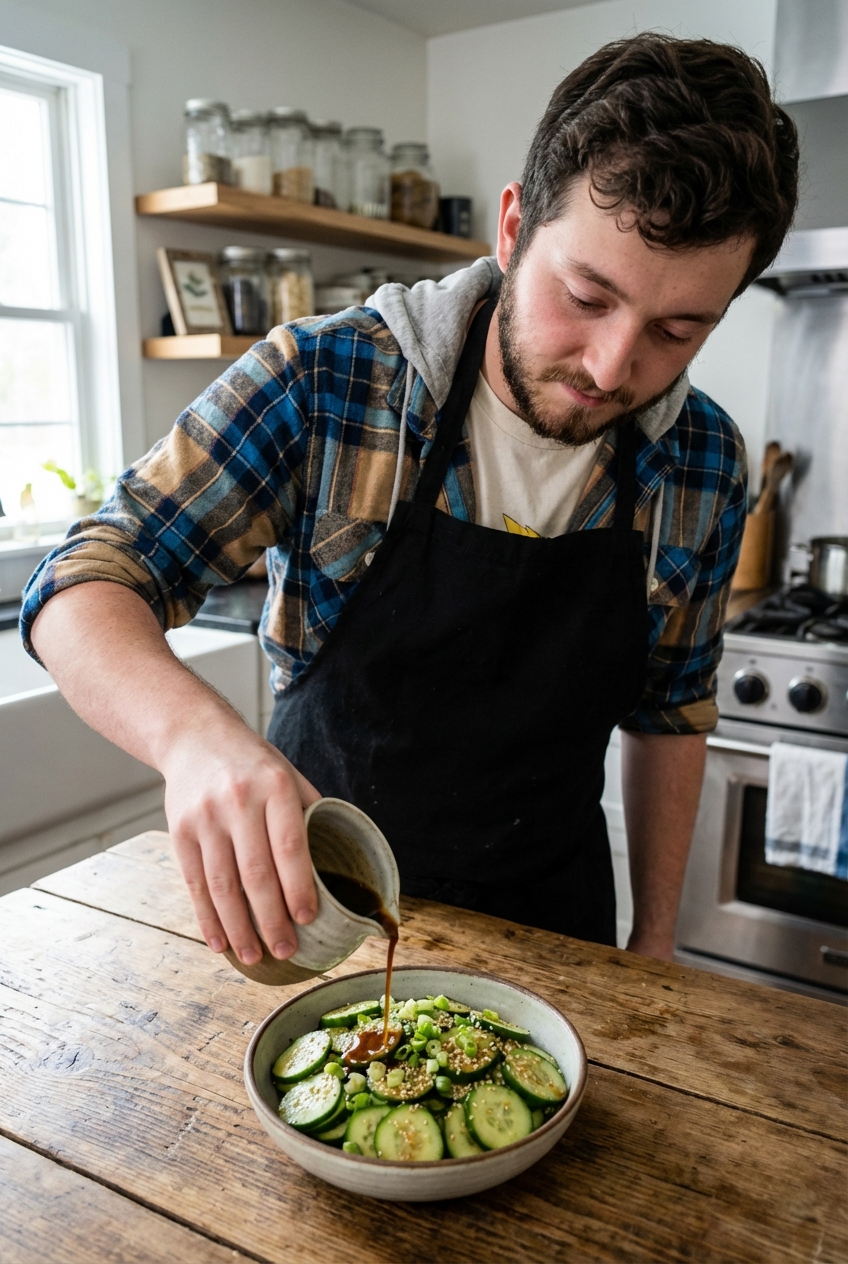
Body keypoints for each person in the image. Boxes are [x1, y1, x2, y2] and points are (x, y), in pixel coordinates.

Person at [22, 34, 798, 967]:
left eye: (676, 331)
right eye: (586, 296)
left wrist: (658, 941)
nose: (612, 366)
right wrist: (193, 740)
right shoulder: (327, 381)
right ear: (512, 229)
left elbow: (671, 709)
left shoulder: (703, 460)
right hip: (319, 920)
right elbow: (83, 581)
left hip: (558, 934)